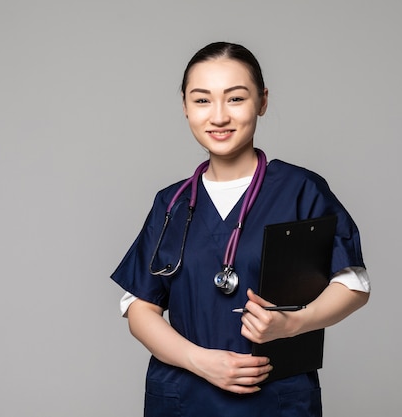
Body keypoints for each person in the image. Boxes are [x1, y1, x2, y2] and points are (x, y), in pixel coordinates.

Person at [110, 41, 370, 417]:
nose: (218, 116)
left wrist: (294, 323)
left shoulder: (300, 190)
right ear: (184, 106)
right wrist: (199, 361)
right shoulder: (171, 203)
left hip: (275, 398)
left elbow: (353, 284)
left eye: (235, 98)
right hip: (184, 398)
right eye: (202, 100)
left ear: (262, 102)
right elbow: (139, 307)